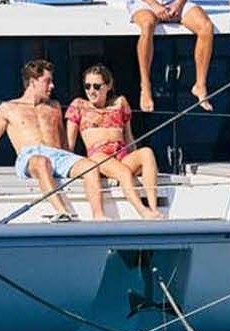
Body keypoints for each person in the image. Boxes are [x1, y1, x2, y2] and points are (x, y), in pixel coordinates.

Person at [0, 59, 107, 221]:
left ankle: (99, 215)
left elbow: (62, 140)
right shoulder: (8, 108)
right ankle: (62, 212)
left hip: (59, 156)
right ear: (32, 82)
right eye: (47, 81)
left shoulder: (54, 106)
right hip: (31, 157)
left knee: (91, 166)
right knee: (42, 162)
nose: (52, 86)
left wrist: (72, 160)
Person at [65, 64, 163, 219]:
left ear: (108, 85)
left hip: (121, 155)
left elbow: (129, 137)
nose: (91, 91)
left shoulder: (120, 103)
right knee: (123, 172)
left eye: (97, 86)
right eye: (87, 86)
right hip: (99, 156)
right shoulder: (79, 105)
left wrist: (135, 155)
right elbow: (70, 143)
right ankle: (142, 211)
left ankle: (153, 207)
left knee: (147, 153)